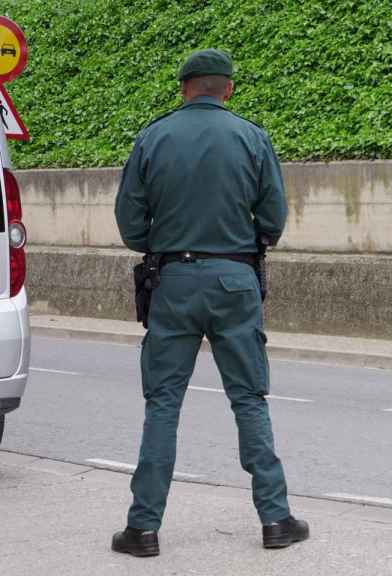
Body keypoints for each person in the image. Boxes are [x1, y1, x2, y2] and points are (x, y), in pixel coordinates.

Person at [111, 48, 307, 557]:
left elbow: (131, 225)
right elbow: (273, 220)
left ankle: (144, 528)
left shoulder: (153, 136)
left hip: (172, 281)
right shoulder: (252, 136)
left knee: (163, 404)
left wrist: (163, 241)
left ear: (184, 89)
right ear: (228, 90)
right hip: (235, 279)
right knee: (248, 399)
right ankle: (276, 519)